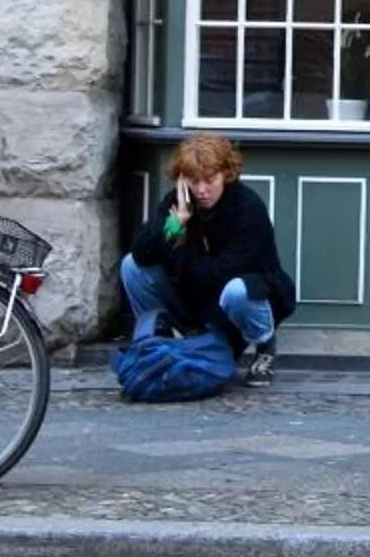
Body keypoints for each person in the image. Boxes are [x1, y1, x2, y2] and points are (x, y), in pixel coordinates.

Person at [118, 133, 297, 384]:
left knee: (238, 292)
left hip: (234, 302)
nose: (201, 190)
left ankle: (264, 345)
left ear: (226, 174)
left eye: (210, 180)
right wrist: (175, 223)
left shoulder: (246, 208)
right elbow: (141, 251)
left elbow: (220, 275)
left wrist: (178, 255)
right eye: (193, 181)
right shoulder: (179, 203)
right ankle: (162, 344)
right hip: (192, 298)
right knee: (132, 267)